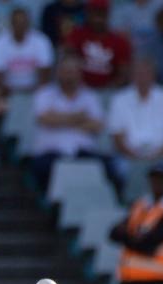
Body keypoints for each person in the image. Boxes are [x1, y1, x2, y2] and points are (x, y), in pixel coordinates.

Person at [108, 58, 163, 200]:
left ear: (154, 75)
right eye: (138, 73)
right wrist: (136, 157)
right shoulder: (119, 99)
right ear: (132, 75)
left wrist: (157, 155)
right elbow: (117, 137)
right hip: (129, 157)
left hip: (161, 156)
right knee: (126, 169)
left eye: (146, 73)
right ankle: (131, 205)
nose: (142, 77)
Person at [31, 56, 106, 190]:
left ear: (79, 74)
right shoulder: (44, 94)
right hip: (51, 153)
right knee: (41, 168)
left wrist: (59, 118)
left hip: (83, 152)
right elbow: (45, 119)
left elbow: (96, 125)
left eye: (72, 71)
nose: (68, 76)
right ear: (58, 73)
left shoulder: (90, 96)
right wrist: (79, 117)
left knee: (106, 167)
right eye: (65, 71)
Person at [0, 7, 55, 95]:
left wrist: (36, 90)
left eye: (23, 22)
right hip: (7, 92)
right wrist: (6, 91)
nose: (20, 26)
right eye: (17, 23)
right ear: (11, 23)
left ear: (28, 23)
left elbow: (46, 71)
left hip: (36, 91)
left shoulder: (41, 40)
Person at [65, 0, 132, 88]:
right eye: (94, 13)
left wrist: (110, 89)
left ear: (107, 15)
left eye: (101, 13)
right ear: (88, 13)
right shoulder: (77, 35)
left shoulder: (119, 41)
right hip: (80, 89)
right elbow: (67, 63)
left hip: (108, 91)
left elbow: (123, 74)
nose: (97, 18)